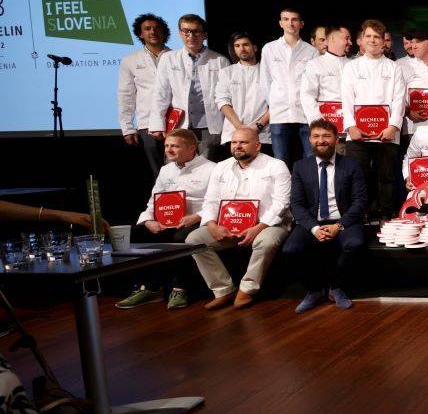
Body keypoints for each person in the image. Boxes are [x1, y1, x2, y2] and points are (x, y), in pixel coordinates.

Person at [186, 127, 291, 310]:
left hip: (268, 224)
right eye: (234, 142)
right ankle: (223, 289)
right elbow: (211, 200)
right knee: (194, 240)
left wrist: (258, 228)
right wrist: (212, 225)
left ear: (257, 146)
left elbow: (281, 203)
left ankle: (247, 288)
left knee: (266, 242)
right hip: (229, 224)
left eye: (243, 142)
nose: (237, 146)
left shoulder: (276, 165)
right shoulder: (221, 167)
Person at [116, 129, 214, 310]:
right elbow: (154, 200)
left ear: (191, 148)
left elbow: (215, 202)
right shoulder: (166, 169)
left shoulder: (211, 169)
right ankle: (149, 288)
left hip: (196, 221)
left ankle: (180, 288)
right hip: (166, 220)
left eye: (174, 146)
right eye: (167, 145)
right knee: (136, 233)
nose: (168, 150)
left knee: (179, 237)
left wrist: (196, 217)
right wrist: (148, 221)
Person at [284, 119, 368, 313]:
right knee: (290, 250)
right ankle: (314, 289)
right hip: (313, 222)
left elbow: (360, 201)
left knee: (355, 244)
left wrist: (338, 226)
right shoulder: (300, 167)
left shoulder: (352, 165)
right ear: (309, 140)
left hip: (344, 220)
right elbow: (297, 204)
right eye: (316, 136)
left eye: (326, 136)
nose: (321, 140)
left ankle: (336, 287)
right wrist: (314, 228)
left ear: (336, 139)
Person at [341, 19, 408, 220]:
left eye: (377, 37)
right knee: (358, 176)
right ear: (361, 40)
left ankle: (385, 215)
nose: (372, 40)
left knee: (386, 177)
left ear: (383, 41)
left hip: (387, 133)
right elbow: (346, 99)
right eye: (368, 36)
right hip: (357, 133)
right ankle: (359, 214)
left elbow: (399, 99)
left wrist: (393, 126)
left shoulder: (394, 68)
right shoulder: (351, 67)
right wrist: (351, 126)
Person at [150, 14, 229, 159]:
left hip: (209, 126)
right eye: (186, 31)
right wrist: (157, 124)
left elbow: (226, 97)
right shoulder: (168, 58)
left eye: (196, 31)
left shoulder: (220, 60)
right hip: (180, 125)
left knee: (206, 167)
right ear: (180, 33)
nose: (191, 36)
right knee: (175, 165)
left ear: (204, 34)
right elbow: (161, 93)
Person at [260, 7, 320, 168]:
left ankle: (309, 186)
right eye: (286, 19)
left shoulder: (311, 51)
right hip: (279, 114)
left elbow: (314, 85)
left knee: (311, 159)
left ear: (301, 24)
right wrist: (275, 102)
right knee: (281, 161)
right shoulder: (269, 48)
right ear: (280, 23)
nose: (290, 23)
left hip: (305, 114)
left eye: (294, 19)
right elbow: (265, 81)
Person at [118, 13, 171, 178]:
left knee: (179, 167)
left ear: (164, 32)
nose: (152, 32)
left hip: (176, 121)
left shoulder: (176, 57)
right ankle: (162, 195)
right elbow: (126, 95)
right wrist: (127, 127)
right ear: (140, 34)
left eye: (156, 28)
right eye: (147, 29)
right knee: (158, 173)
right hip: (147, 123)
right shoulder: (130, 60)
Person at [214, 32, 271, 160]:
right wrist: (240, 128)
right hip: (233, 135)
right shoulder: (227, 72)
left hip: (262, 134)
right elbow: (222, 101)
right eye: (237, 46)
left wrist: (258, 126)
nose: (242, 49)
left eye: (245, 45)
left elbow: (276, 103)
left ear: (255, 47)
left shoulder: (267, 72)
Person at [300, 24, 352, 136]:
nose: (350, 42)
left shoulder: (354, 65)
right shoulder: (315, 64)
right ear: (333, 39)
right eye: (346, 38)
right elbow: (307, 95)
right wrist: (318, 123)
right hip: (325, 130)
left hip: (351, 130)